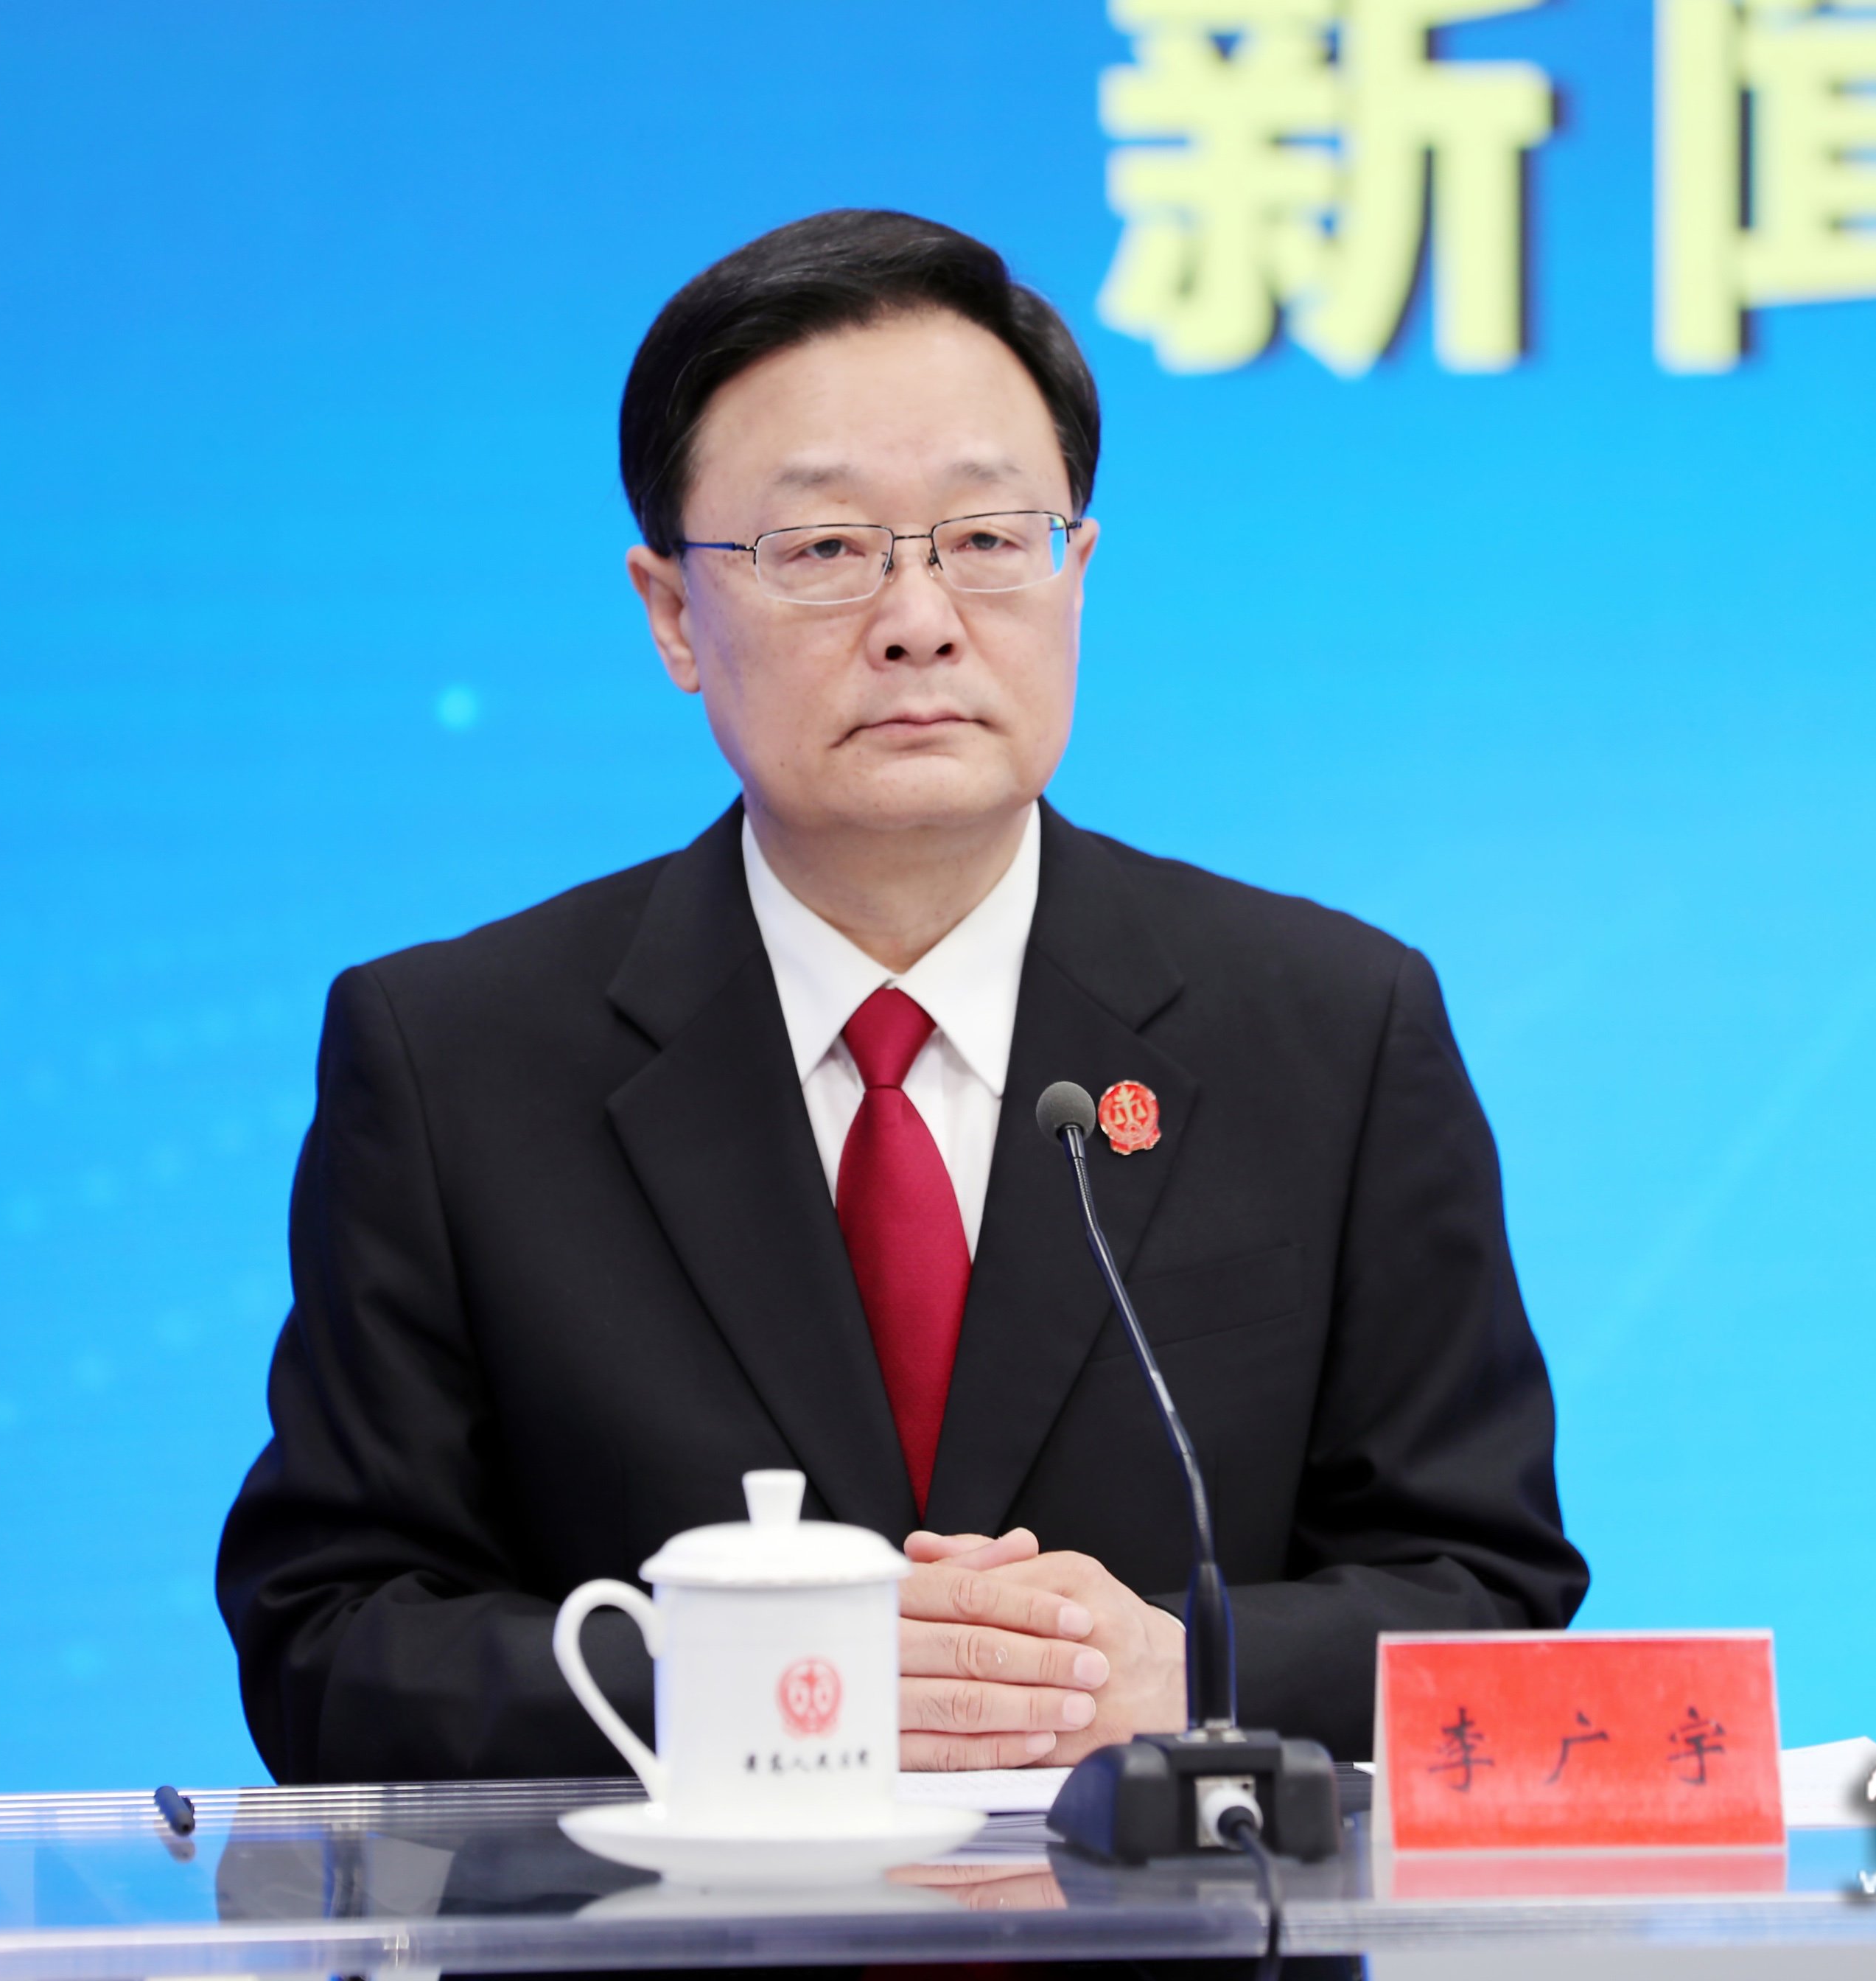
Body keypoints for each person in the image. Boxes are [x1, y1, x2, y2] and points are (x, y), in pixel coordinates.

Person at [217, 209, 1586, 1786]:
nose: (921, 619)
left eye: (989, 540)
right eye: (823, 550)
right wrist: (756, 1685)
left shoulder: (1333, 1029)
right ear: (672, 615)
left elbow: (1492, 1602)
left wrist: (1188, 1668)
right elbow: (328, 1641)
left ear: (1077, 573)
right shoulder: (454, 1062)